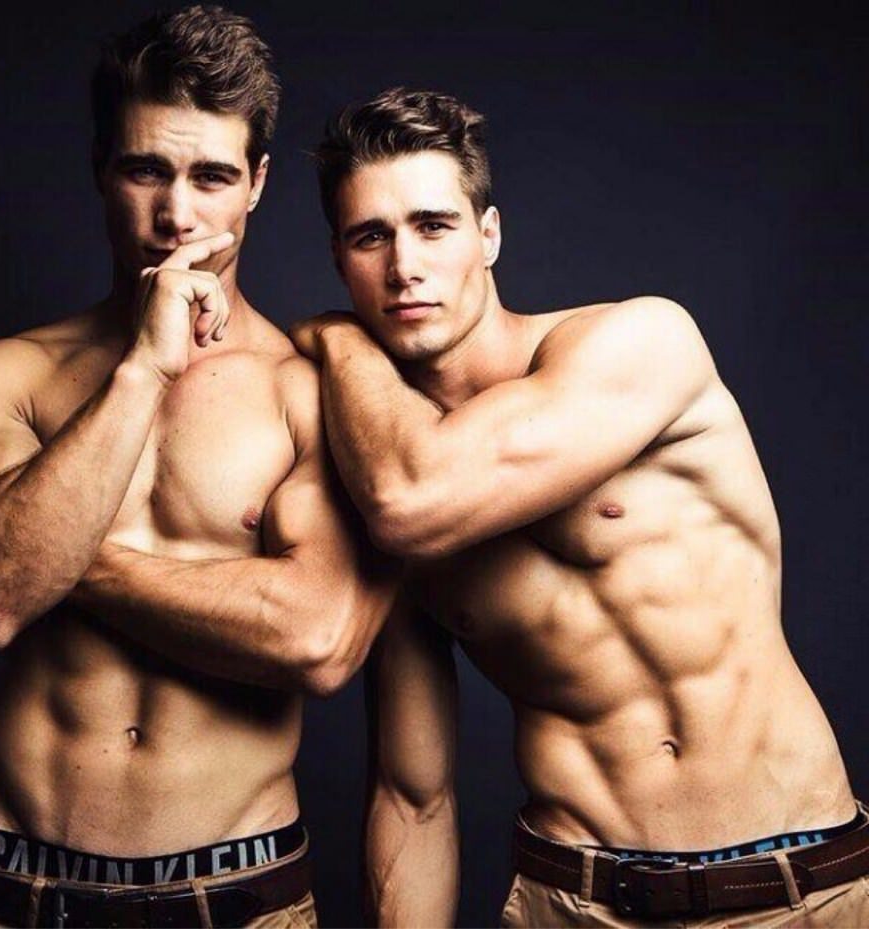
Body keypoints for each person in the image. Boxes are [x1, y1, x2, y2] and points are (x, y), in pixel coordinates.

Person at [290, 87, 869, 927]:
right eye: (369, 236)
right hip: (574, 898)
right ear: (340, 259)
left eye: (434, 225)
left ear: (489, 235)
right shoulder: (368, 463)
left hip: (792, 888)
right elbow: (413, 796)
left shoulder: (642, 341)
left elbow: (414, 495)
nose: (404, 265)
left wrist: (339, 337)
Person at [0, 9, 395, 928]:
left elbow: (317, 637)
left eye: (211, 176)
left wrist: (67, 560)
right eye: (146, 170)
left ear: (256, 184)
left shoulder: (309, 390)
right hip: (10, 895)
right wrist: (143, 367)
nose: (176, 216)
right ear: (101, 167)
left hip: (239, 898)